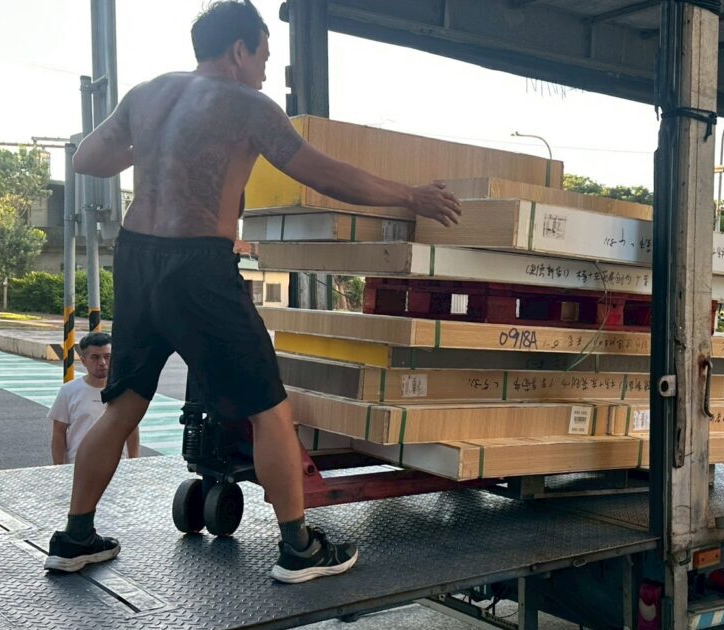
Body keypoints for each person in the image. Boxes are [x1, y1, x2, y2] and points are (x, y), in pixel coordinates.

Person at [44, 0, 460, 582]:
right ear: (239, 50)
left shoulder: (148, 93)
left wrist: (160, 145)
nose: (266, 70)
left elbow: (90, 158)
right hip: (198, 265)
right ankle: (299, 549)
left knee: (123, 405)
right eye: (263, 55)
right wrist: (411, 196)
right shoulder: (247, 105)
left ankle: (74, 537)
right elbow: (323, 173)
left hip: (136, 259)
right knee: (270, 409)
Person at [50, 332, 140, 465]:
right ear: (83, 361)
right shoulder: (68, 391)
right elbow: (59, 433)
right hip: (78, 465)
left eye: (107, 357)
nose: (102, 363)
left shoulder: (123, 391)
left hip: (116, 466)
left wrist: (134, 463)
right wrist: (59, 469)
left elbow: (132, 429)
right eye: (95, 357)